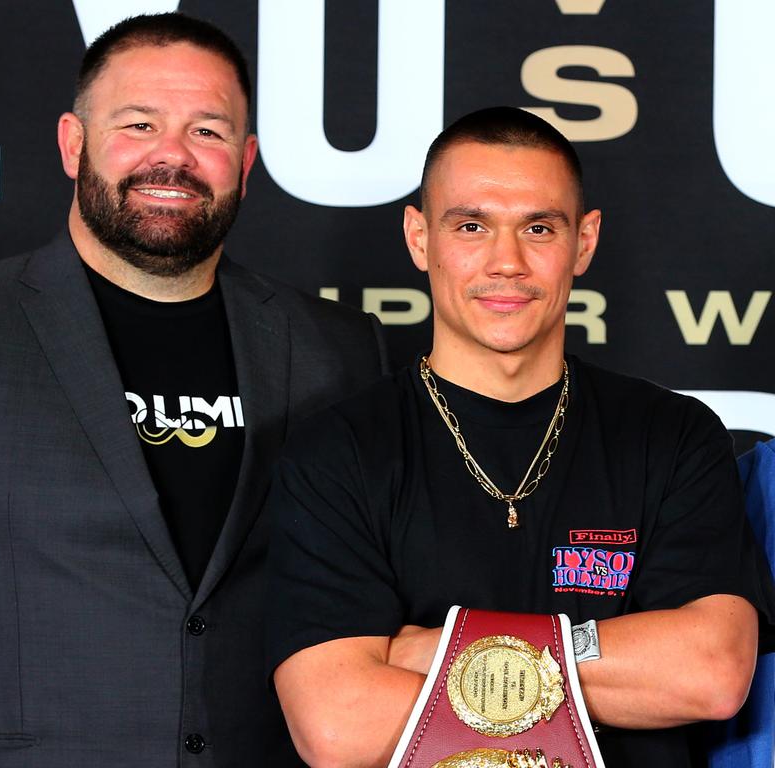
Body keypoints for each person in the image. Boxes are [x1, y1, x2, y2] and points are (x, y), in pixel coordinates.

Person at [0, 13, 387, 767]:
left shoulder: (337, 350)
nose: (173, 156)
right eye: (138, 123)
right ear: (74, 144)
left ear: (247, 158)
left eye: (209, 131)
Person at [264, 106, 775, 768]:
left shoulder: (671, 435)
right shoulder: (337, 451)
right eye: (471, 226)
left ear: (584, 243)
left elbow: (709, 672)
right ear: (420, 239)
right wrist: (597, 661)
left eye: (539, 228)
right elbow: (339, 726)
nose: (506, 263)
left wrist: (437, 651)